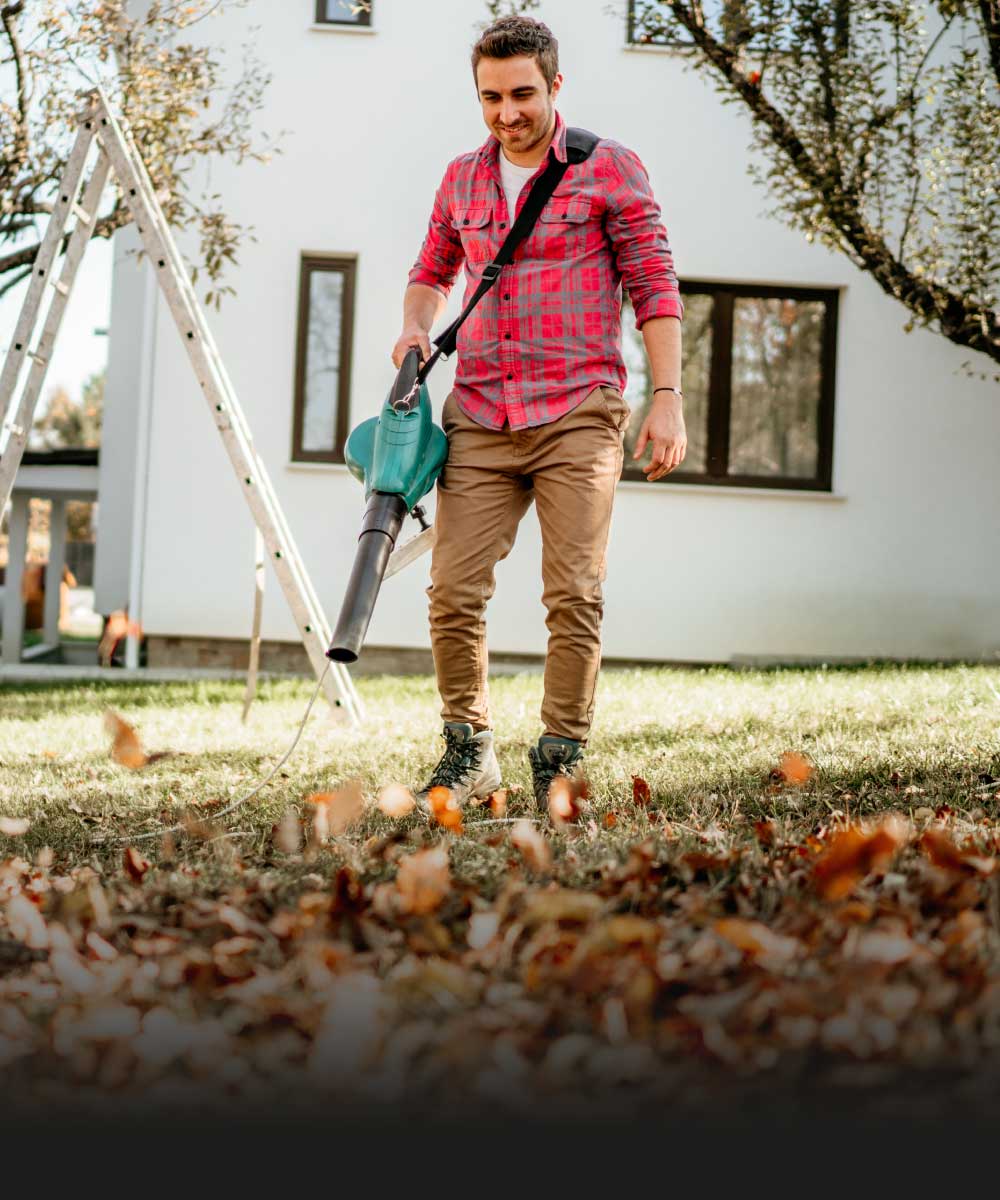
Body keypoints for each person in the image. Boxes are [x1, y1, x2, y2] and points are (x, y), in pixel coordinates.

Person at [392, 15, 685, 814]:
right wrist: (418, 322)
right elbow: (432, 268)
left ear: (556, 85)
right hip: (482, 412)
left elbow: (656, 287)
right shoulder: (461, 178)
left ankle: (559, 760)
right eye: (490, 97)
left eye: (522, 93)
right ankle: (469, 753)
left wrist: (666, 398)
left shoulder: (609, 169)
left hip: (579, 413)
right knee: (452, 592)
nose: (506, 112)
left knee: (574, 593)